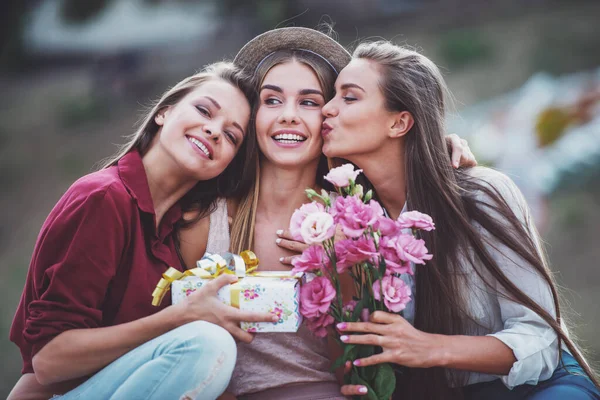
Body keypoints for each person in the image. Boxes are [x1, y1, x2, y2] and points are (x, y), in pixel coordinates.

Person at [177, 28, 476, 400]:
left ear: (330, 115)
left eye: (308, 102)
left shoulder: (358, 223)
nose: (288, 116)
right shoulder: (207, 221)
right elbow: (181, 347)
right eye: (271, 101)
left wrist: (339, 270)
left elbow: (356, 366)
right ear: (253, 116)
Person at [319, 40, 600, 399]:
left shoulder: (482, 194)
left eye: (349, 97)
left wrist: (428, 348)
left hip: (533, 388)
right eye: (330, 97)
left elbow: (540, 338)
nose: (327, 109)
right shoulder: (343, 222)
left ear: (400, 122)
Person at [8, 62, 278, 400]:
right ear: (163, 113)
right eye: (204, 110)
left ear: (227, 163)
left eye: (231, 136)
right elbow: (48, 360)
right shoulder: (104, 199)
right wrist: (179, 317)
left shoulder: (172, 233)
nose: (213, 131)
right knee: (208, 344)